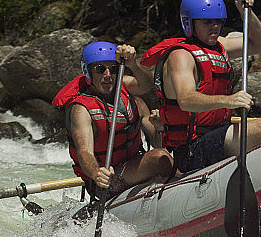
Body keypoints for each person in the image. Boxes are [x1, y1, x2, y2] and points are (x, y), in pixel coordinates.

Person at [141, 0, 261, 174]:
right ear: (189, 23)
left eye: (218, 22)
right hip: (190, 147)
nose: (214, 27)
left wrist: (246, 11)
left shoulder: (221, 46)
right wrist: (228, 100)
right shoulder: (180, 56)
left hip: (217, 134)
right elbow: (186, 100)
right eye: (207, 22)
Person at [52, 41, 173, 198]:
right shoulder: (81, 110)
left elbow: (147, 85)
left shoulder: (127, 92)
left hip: (133, 165)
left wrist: (133, 64)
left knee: (168, 157)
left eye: (113, 69)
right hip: (107, 179)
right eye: (100, 69)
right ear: (88, 72)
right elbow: (84, 153)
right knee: (159, 158)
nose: (108, 75)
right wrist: (96, 173)